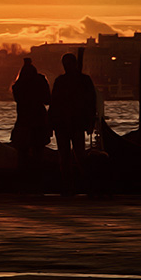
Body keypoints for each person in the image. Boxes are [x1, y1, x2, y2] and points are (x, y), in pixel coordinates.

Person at [51, 53, 97, 193]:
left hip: (74, 124)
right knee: (68, 156)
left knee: (77, 155)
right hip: (66, 124)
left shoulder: (71, 81)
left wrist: (90, 122)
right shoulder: (79, 80)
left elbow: (91, 103)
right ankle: (73, 186)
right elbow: (54, 104)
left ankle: (81, 185)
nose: (67, 66)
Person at [9, 57, 52, 168]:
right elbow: (47, 100)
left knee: (22, 153)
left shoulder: (17, 87)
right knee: (38, 152)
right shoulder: (40, 82)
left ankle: (24, 173)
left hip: (23, 121)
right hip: (39, 121)